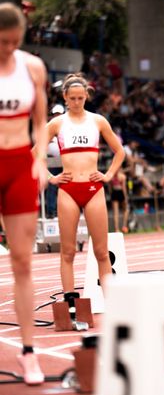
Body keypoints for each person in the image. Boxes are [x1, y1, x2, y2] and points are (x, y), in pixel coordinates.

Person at [0, 2, 48, 384]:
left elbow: (40, 122)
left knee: (22, 261)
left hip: (19, 166)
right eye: (2, 42)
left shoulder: (32, 67)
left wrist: (39, 164)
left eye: (15, 42)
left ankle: (29, 353)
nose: (8, 48)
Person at [45, 73, 125, 301]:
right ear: (65, 97)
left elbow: (119, 151)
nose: (77, 102)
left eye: (81, 98)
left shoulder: (98, 121)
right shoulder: (57, 123)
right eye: (73, 98)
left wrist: (108, 175)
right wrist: (51, 177)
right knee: (68, 251)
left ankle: (112, 303)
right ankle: (71, 301)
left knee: (101, 251)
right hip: (68, 190)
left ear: (86, 96)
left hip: (93, 189)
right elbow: (33, 154)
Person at [108, 166, 129, 233]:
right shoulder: (122, 176)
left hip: (114, 192)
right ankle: (124, 226)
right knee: (126, 210)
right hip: (120, 192)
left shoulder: (111, 177)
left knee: (115, 212)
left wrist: (111, 194)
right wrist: (125, 197)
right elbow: (124, 188)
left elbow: (110, 188)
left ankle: (116, 229)